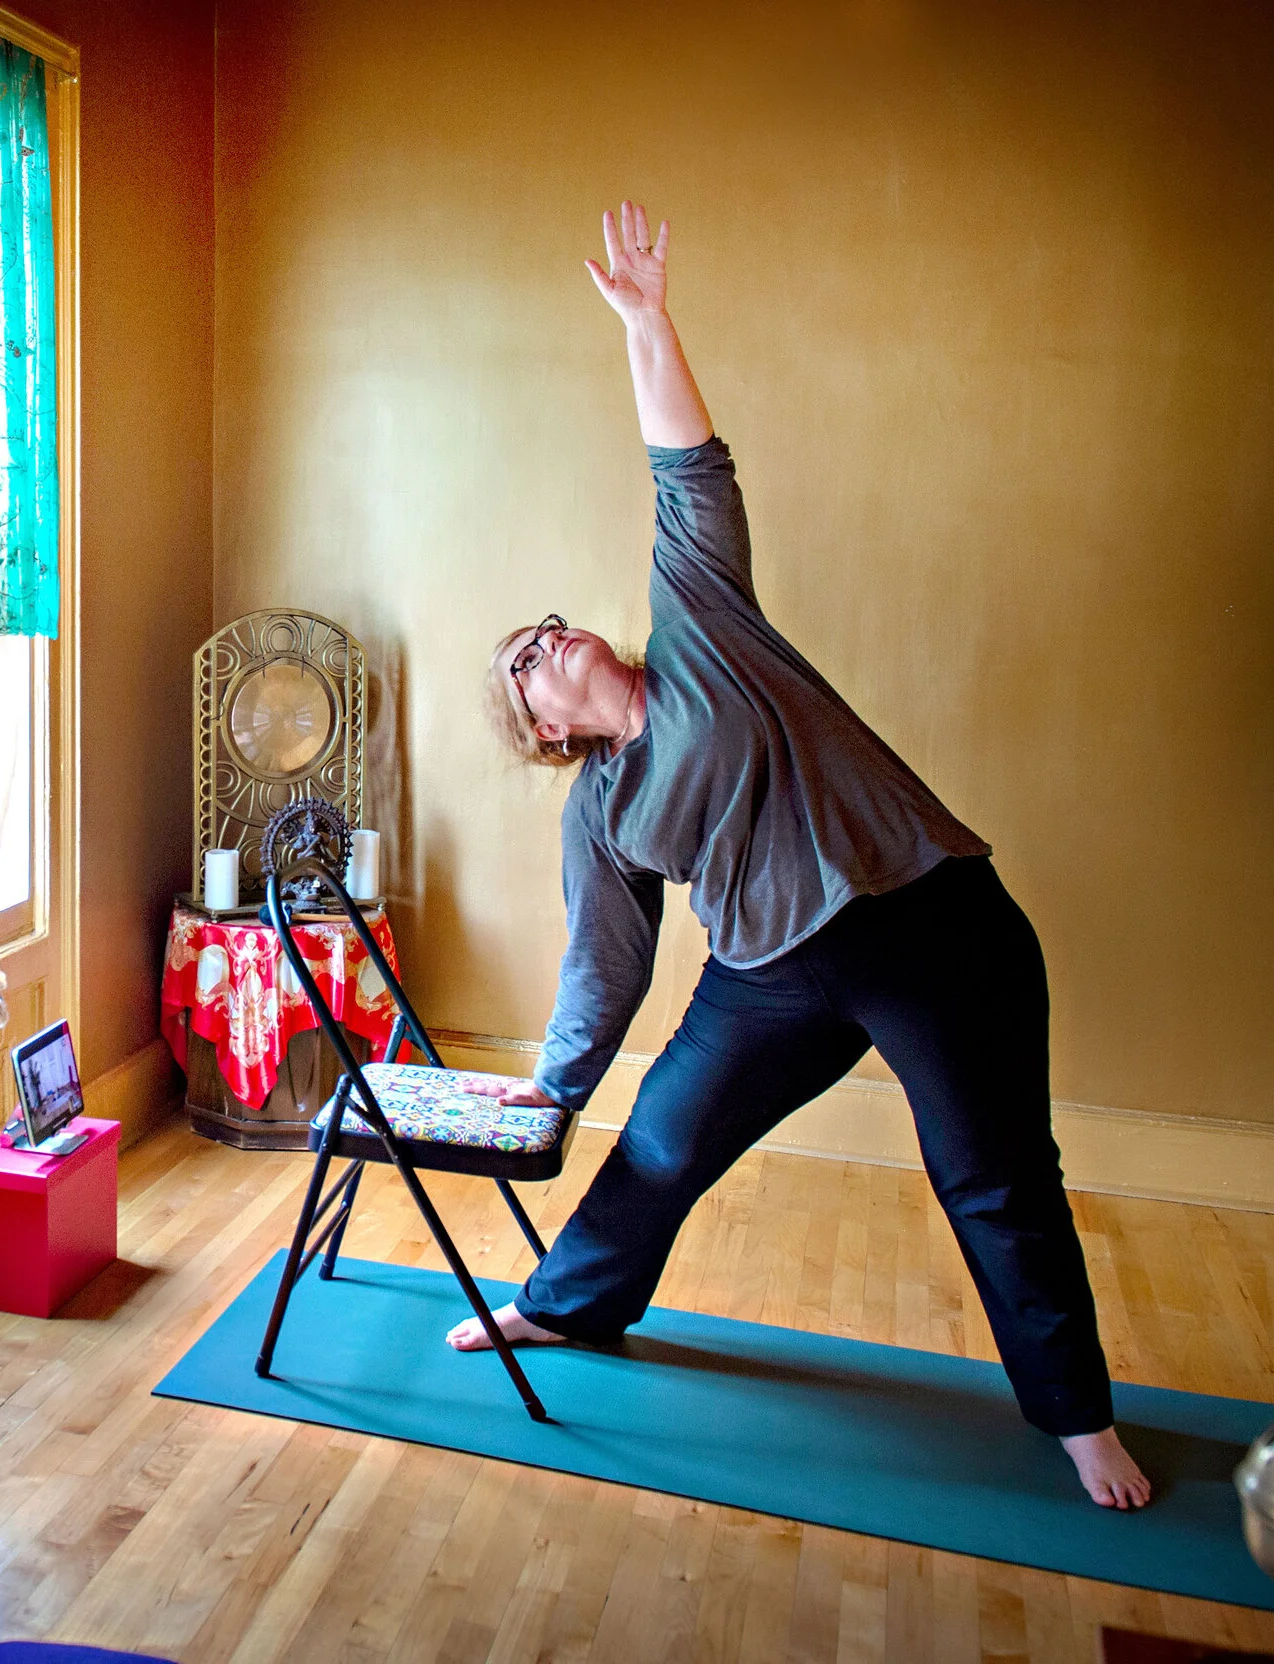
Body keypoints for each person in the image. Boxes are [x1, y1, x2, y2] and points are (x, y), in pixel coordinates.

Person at [454, 200, 1151, 1511]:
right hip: (772, 974)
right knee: (663, 1142)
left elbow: (688, 472)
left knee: (993, 1178)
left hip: (929, 922)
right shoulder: (599, 813)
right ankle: (561, 1306)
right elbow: (606, 969)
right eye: (525, 664)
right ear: (544, 730)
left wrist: (648, 323)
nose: (547, 644)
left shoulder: (703, 631)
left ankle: (1079, 1420)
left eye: (546, 630)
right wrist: (549, 1091)